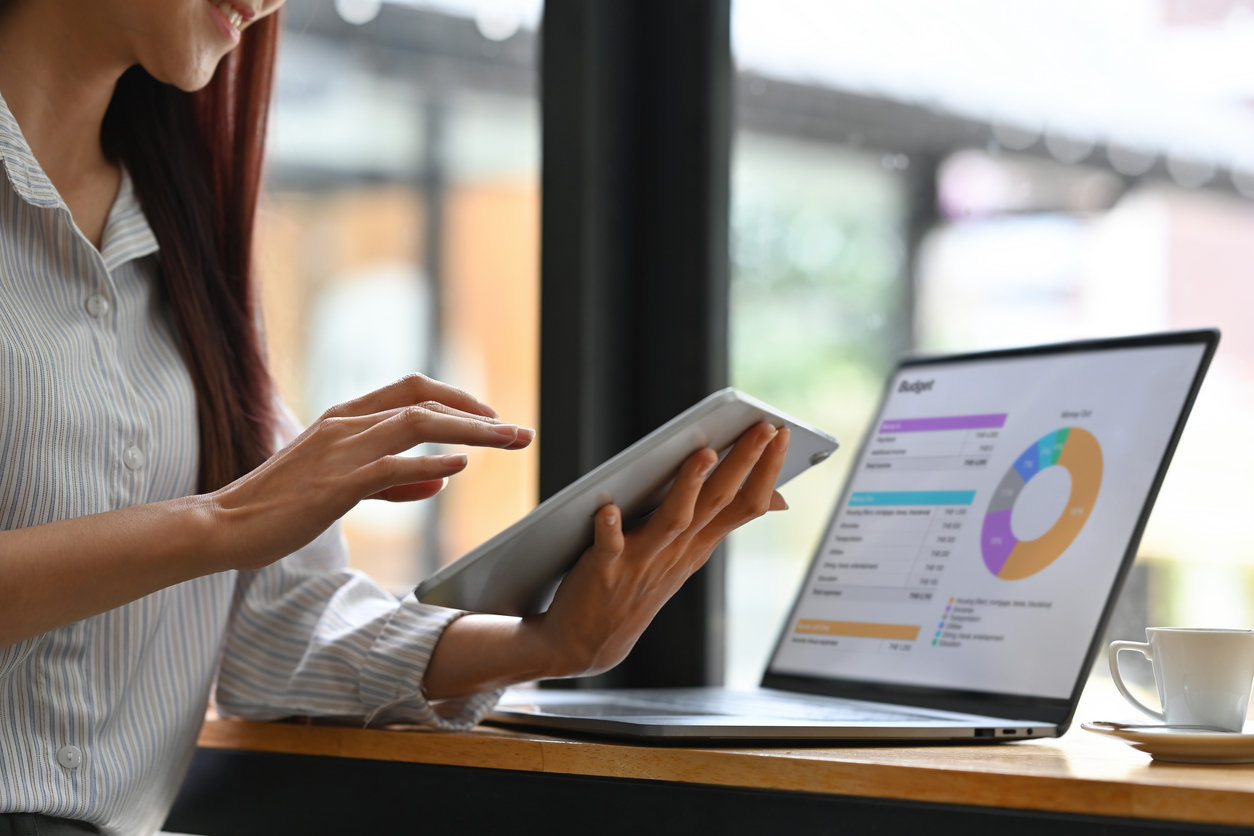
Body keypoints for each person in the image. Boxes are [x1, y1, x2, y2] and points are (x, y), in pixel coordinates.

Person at [0, 1, 790, 833]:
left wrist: (549, 643)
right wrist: (226, 520)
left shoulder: (185, 237)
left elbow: (278, 624)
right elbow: (236, 533)